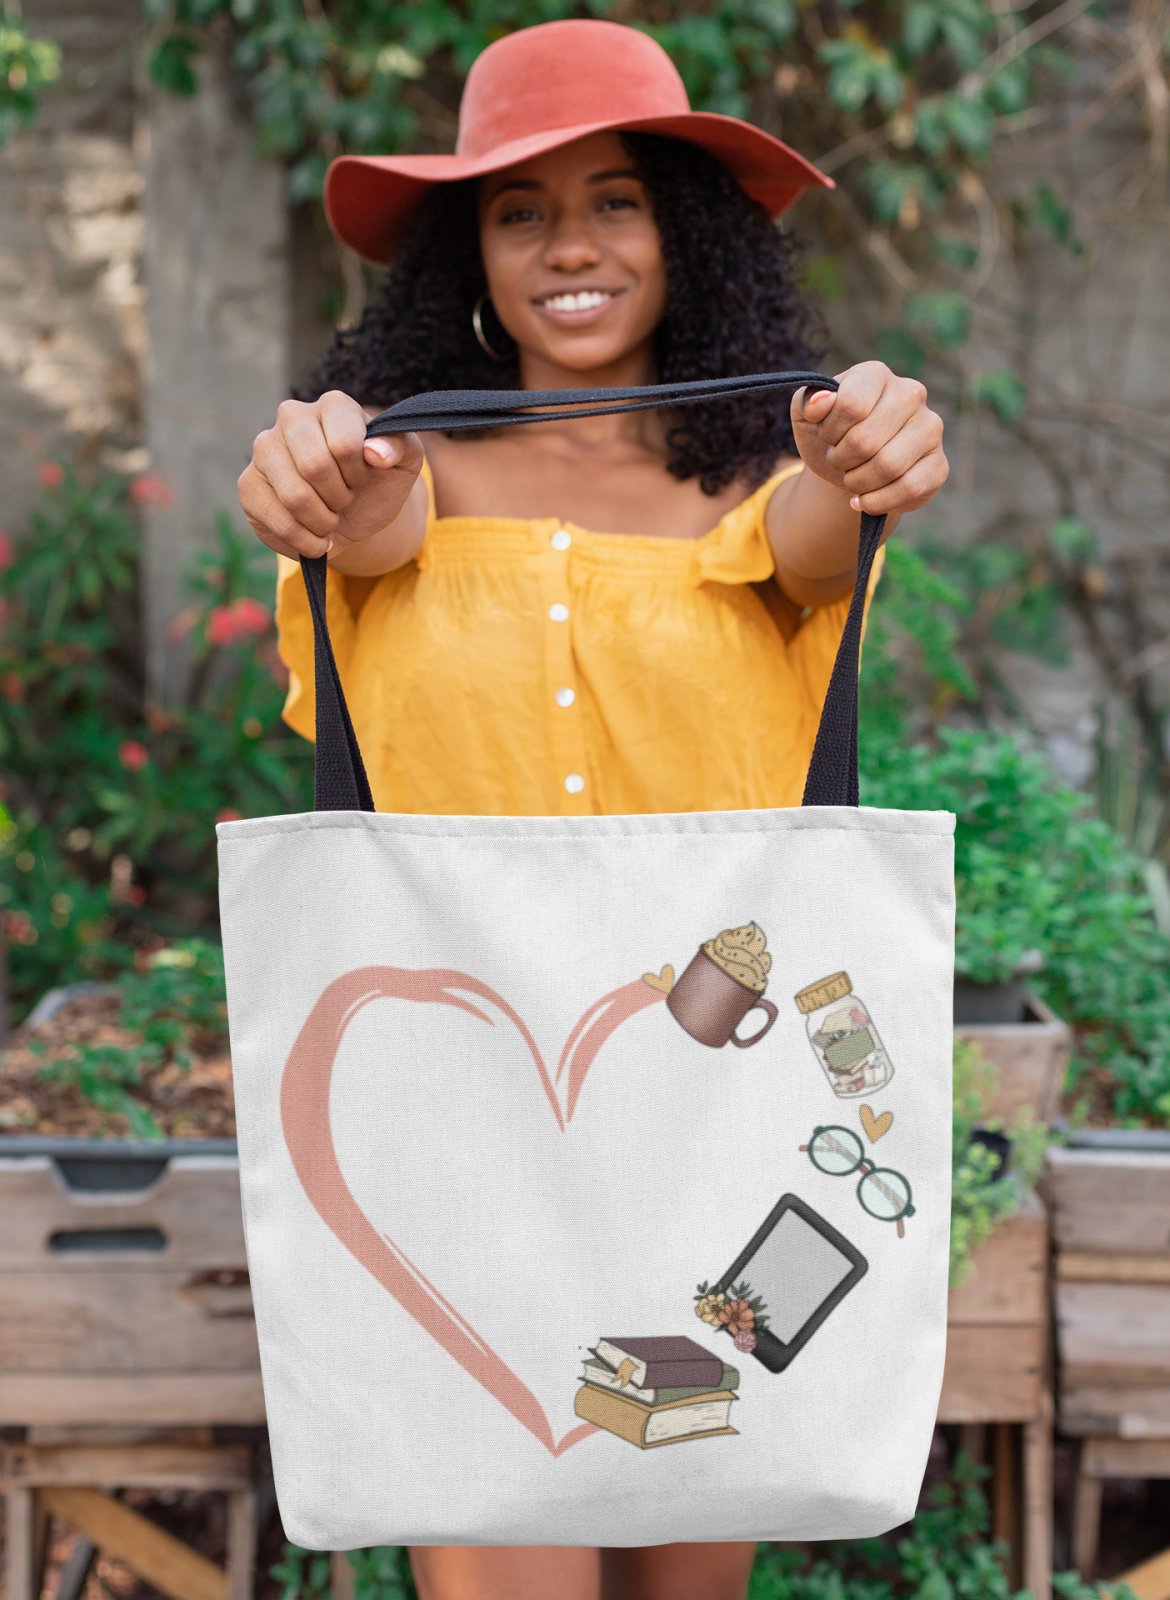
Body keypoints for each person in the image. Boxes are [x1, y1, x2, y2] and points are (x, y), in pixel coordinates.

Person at [235, 17, 948, 1599]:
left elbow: (829, 530)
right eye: (518, 210)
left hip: (714, 1123)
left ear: (680, 236)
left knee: (692, 1558)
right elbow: (358, 524)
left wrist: (871, 450)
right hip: (455, 1119)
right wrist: (313, 474)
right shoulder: (408, 474)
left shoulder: (765, 490)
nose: (571, 245)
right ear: (465, 258)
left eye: (617, 199)